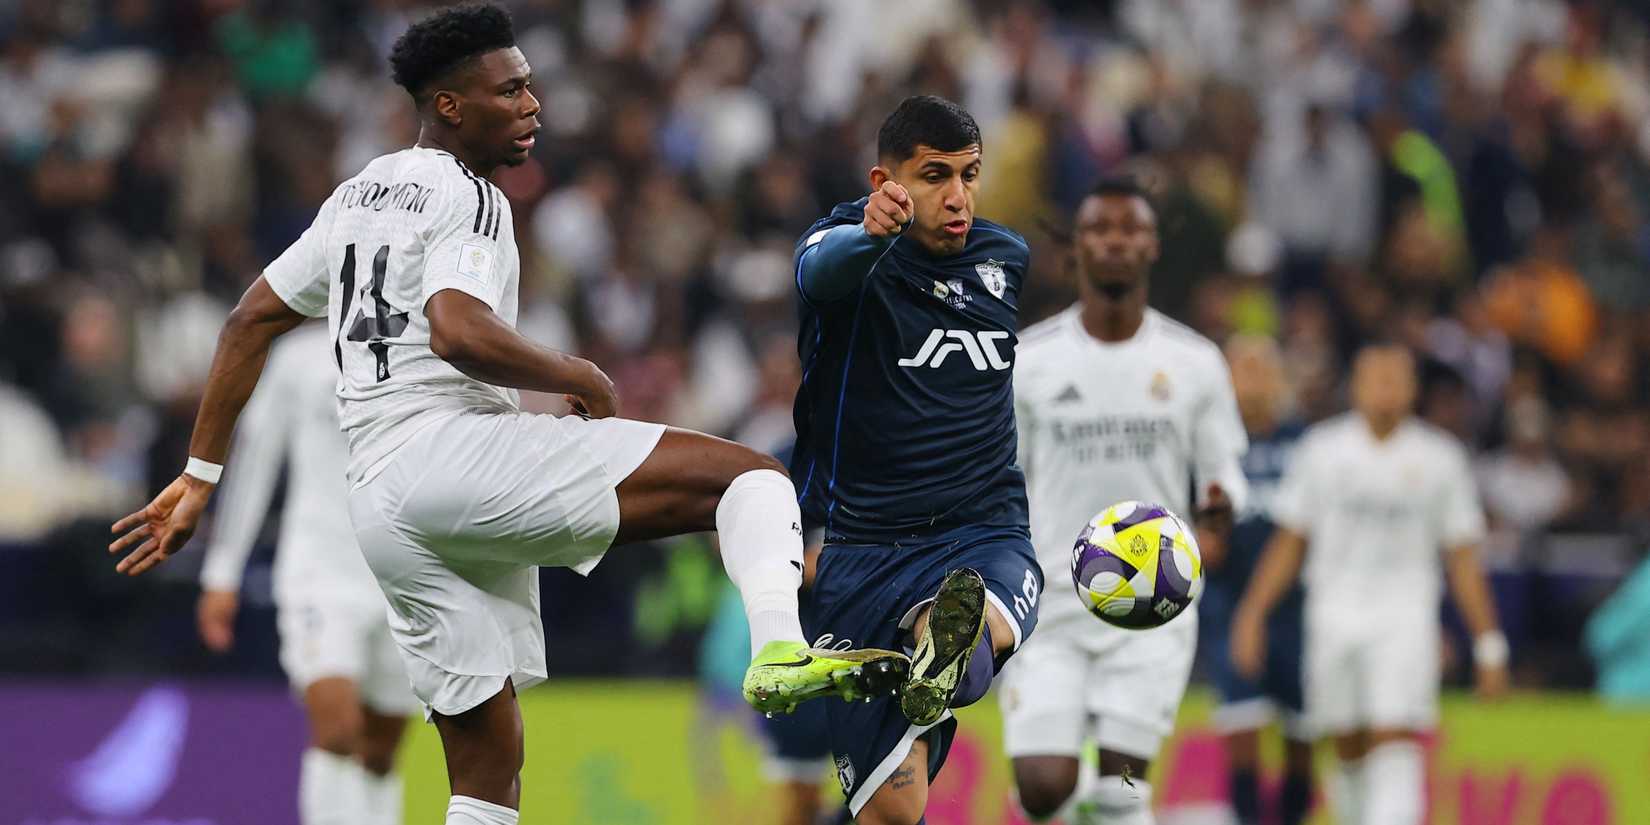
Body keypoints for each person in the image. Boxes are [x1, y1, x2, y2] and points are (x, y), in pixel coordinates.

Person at [108, 6, 905, 824]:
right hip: (451, 456)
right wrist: (578, 372)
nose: (533, 105)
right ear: (451, 106)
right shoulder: (470, 193)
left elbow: (250, 319)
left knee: (488, 768)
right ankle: (781, 647)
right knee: (756, 479)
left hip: (379, 506)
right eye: (512, 89)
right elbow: (456, 328)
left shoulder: (356, 195)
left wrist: (199, 475)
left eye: (531, 87)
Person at [790, 94, 1043, 825]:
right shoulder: (841, 247)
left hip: (983, 528)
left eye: (970, 174)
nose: (958, 197)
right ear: (885, 181)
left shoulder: (1005, 258)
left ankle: (943, 632)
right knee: (892, 815)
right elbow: (817, 273)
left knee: (975, 622)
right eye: (935, 175)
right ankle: (932, 648)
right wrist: (867, 237)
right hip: (864, 549)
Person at [1001, 177, 1249, 825]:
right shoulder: (1030, 361)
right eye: (1099, 229)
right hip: (1049, 599)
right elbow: (1001, 477)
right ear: (1076, 248)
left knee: (1122, 785)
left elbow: (1218, 478)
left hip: (1152, 604)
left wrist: (1210, 531)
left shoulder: (1195, 362)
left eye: (1129, 229)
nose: (1115, 241)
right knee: (1042, 787)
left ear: (1152, 246)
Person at [1232, 343, 1510, 825]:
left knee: (1395, 733)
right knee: (1347, 741)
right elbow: (1290, 541)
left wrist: (1489, 645)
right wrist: (1253, 611)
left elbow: (1463, 557)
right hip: (1332, 616)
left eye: (1395, 378)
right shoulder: (1322, 450)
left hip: (1404, 617)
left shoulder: (1440, 458)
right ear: (1355, 387)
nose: (1384, 388)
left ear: (1411, 390)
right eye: (1374, 377)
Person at [195, 324, 416, 825]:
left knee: (381, 749)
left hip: (401, 572)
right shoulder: (297, 357)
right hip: (321, 568)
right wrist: (222, 573)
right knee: (337, 729)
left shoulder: (419, 341)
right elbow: (255, 461)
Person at [1199, 334, 1312, 825]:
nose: (1253, 379)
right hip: (1227, 599)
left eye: (1263, 368)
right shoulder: (1207, 444)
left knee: (1302, 733)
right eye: (1242, 368)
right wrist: (1197, 536)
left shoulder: (1306, 445)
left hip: (1300, 606)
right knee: (1242, 724)